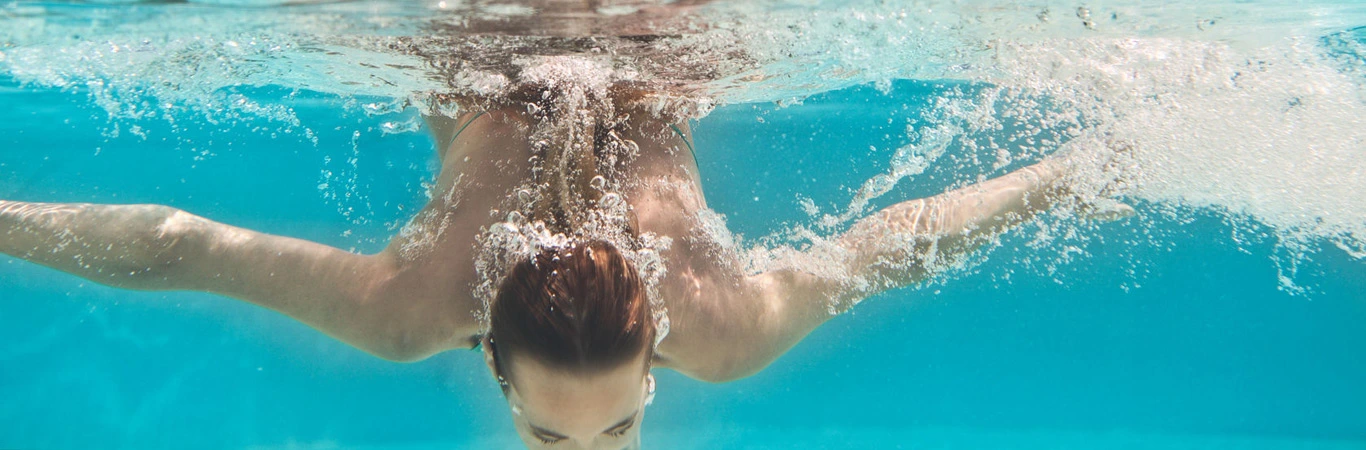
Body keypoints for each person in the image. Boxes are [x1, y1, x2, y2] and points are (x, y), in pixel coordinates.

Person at [0, 82, 1105, 449]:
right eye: (571, 435)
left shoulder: (418, 309)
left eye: (604, 432)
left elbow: (892, 247)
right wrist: (1072, 171)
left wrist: (1071, 176)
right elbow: (183, 248)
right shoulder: (413, 307)